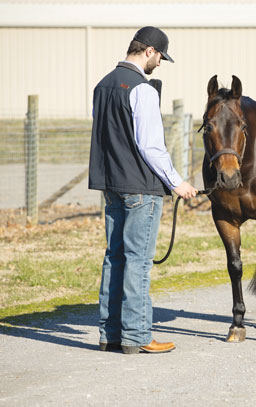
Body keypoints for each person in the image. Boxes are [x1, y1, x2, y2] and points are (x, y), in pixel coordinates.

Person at [89, 26, 197, 354]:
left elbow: (109, 138)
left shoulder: (102, 86)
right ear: (149, 51)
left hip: (111, 184)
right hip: (141, 188)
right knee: (138, 261)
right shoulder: (143, 89)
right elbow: (151, 146)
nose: (160, 64)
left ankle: (110, 334)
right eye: (161, 57)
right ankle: (136, 335)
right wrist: (176, 182)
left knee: (115, 257)